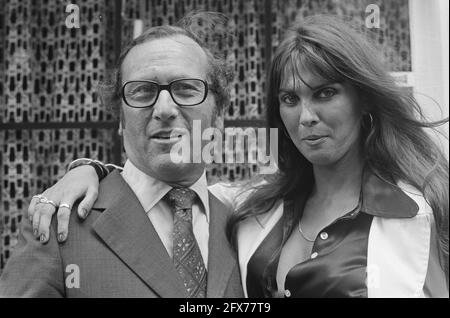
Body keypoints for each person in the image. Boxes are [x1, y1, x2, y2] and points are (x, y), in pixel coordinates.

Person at [23, 15, 449, 298]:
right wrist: (90, 171)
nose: (307, 116)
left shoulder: (422, 212)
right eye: (289, 99)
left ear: (221, 116)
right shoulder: (256, 210)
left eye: (325, 93)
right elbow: (161, 176)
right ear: (119, 118)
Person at [0, 12, 243, 298]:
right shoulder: (55, 222)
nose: (164, 109)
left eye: (186, 89)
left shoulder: (249, 223)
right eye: (142, 92)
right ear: (120, 119)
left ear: (219, 116)